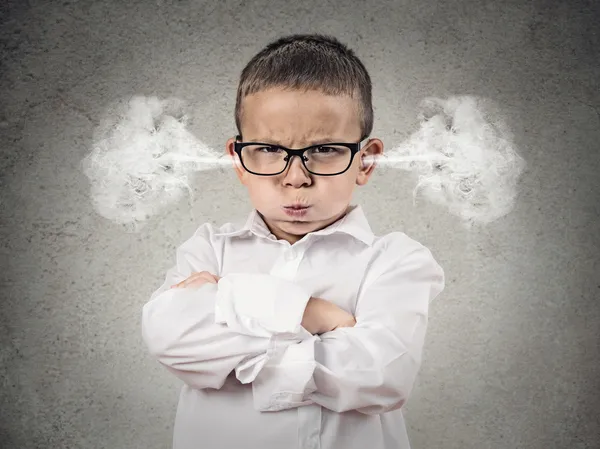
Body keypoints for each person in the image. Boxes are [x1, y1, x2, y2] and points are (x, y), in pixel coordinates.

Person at [141, 33, 445, 449]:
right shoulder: (210, 247)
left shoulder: (397, 260)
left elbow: (380, 376)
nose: (296, 176)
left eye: (324, 149)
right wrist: (310, 314)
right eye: (268, 148)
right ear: (238, 160)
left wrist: (231, 309)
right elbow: (168, 335)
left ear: (367, 160)